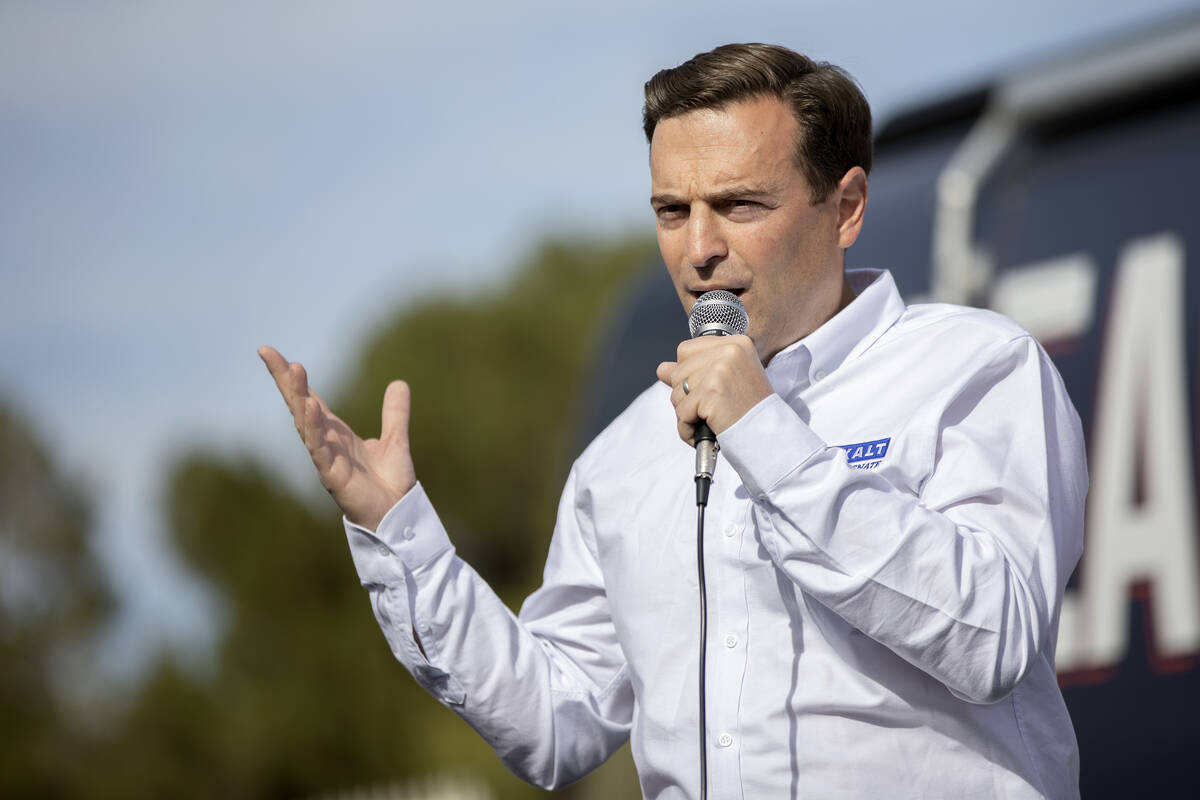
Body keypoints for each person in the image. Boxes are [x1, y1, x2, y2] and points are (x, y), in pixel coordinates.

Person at [260, 43, 1086, 799]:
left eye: (738, 204)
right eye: (670, 210)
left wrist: (765, 436)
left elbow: (994, 638)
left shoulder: (972, 368)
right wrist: (399, 534)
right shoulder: (623, 457)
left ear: (847, 206)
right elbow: (558, 725)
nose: (698, 249)